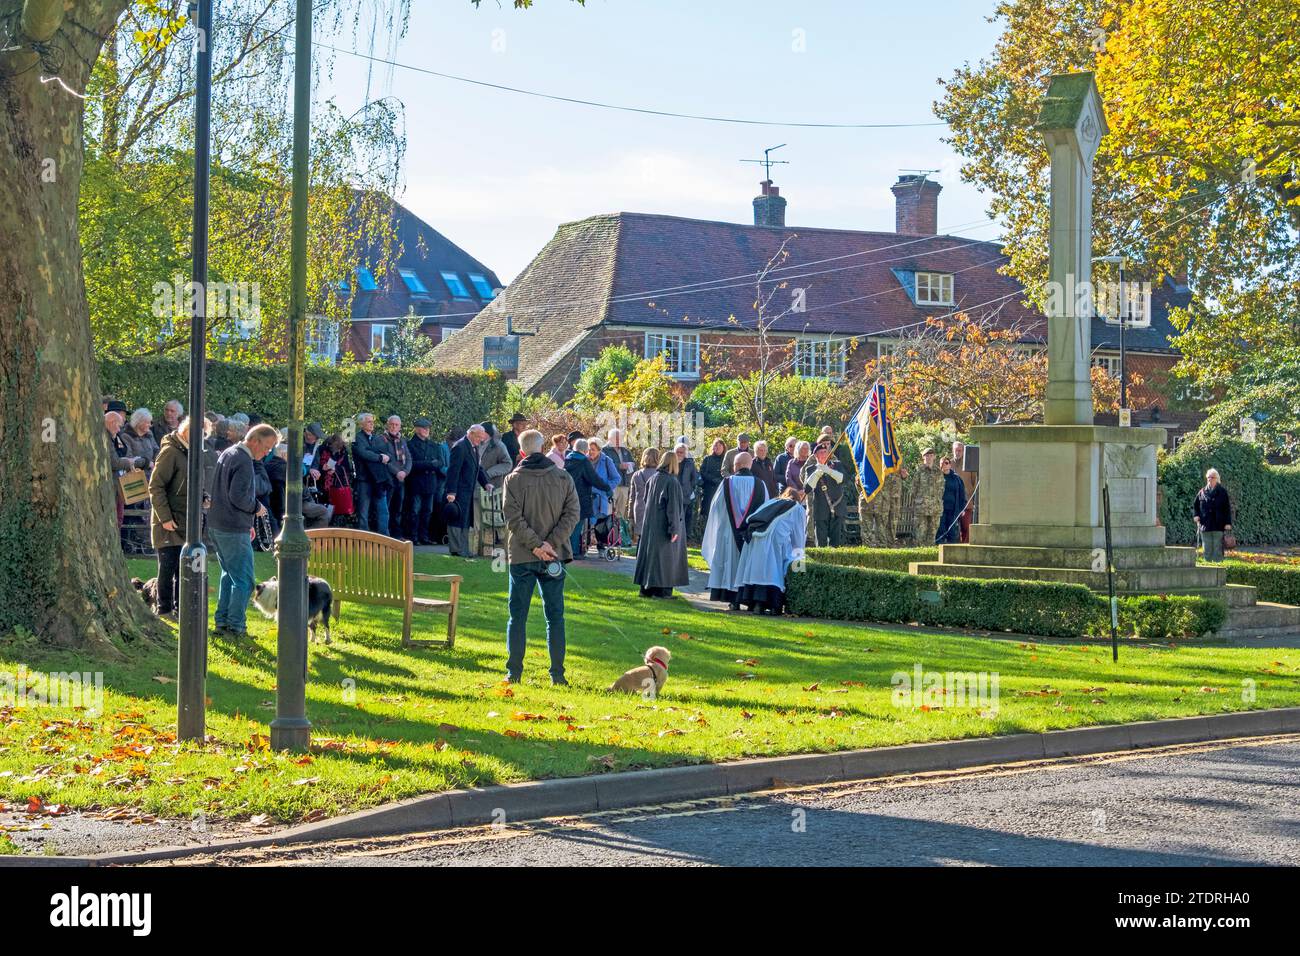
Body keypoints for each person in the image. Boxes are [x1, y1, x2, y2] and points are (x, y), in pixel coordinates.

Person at [501, 429, 581, 685]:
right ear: (543, 447)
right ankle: (557, 674)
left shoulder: (513, 479)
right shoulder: (562, 477)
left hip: (525, 555)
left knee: (518, 615)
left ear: (522, 452)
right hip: (551, 554)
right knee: (555, 616)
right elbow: (572, 515)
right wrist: (548, 544)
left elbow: (513, 519)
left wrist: (539, 545)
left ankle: (514, 672)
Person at [208, 423, 277, 637]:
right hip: (231, 526)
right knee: (245, 581)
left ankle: (222, 622)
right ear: (254, 440)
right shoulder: (244, 460)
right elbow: (238, 496)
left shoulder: (228, 453)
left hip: (219, 524)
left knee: (229, 576)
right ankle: (236, 626)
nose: (267, 453)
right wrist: (256, 508)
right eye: (266, 447)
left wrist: (247, 523)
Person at [702, 451, 767, 609]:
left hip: (728, 533)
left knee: (729, 564)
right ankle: (749, 599)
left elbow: (716, 508)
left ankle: (733, 600)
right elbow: (765, 509)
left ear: (735, 466)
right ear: (750, 464)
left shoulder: (726, 483)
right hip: (751, 535)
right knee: (748, 565)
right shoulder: (760, 484)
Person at [735, 487, 808, 614]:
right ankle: (774, 605)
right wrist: (800, 559)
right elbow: (798, 537)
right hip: (774, 539)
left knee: (758, 569)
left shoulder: (771, 502)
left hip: (753, 537)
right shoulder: (796, 508)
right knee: (773, 570)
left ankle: (754, 604)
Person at [633, 448, 689, 598]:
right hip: (664, 525)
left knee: (651, 557)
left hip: (651, 525)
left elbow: (645, 500)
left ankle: (646, 589)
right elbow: (673, 509)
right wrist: (674, 529)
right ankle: (662, 591)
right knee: (665, 559)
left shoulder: (653, 479)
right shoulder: (672, 482)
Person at [444, 424, 489, 557]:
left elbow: (478, 468)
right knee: (456, 519)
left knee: (465, 520)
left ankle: (463, 548)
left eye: (482, 438)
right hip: (458, 491)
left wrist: (486, 483)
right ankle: (456, 549)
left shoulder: (474, 447)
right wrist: (451, 492)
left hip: (468, 491)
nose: (481, 440)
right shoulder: (460, 447)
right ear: (471, 434)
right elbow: (453, 471)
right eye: (479, 437)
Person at [563, 437, 612, 559]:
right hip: (581, 497)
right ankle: (574, 551)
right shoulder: (584, 462)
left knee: (568, 524)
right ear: (585, 450)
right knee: (577, 525)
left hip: (565, 496)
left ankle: (567, 550)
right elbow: (594, 478)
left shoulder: (567, 459)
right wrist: (607, 488)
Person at [407, 418, 446, 544]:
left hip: (430, 482)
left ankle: (424, 536)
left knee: (427, 511)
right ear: (417, 429)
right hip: (417, 482)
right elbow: (411, 464)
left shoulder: (434, 445)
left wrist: (432, 464)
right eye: (424, 428)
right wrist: (429, 464)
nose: (427, 430)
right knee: (415, 510)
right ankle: (414, 536)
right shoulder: (410, 445)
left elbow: (440, 462)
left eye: (428, 428)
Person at [352, 412, 392, 535]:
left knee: (383, 510)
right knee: (364, 511)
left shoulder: (377, 438)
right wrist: (379, 456)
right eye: (369, 421)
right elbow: (364, 453)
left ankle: (384, 536)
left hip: (378, 479)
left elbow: (386, 452)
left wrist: (377, 454)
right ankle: (363, 538)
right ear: (361, 423)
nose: (372, 424)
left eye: (372, 421)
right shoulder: (358, 438)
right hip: (364, 479)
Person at [801, 441, 847, 547]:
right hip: (820, 509)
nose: (824, 454)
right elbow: (807, 489)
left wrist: (828, 471)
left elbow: (843, 479)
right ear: (815, 455)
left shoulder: (837, 465)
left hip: (837, 508)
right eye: (820, 452)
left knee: (836, 544)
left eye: (825, 452)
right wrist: (817, 473)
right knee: (821, 543)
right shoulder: (810, 469)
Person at [105, 409, 140, 530]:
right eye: (119, 426)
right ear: (111, 422)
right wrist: (129, 462)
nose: (120, 429)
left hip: (119, 482)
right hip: (112, 484)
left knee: (119, 518)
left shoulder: (115, 437)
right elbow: (114, 462)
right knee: (116, 519)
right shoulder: (106, 437)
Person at [588, 437, 622, 555]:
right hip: (587, 497)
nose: (590, 452)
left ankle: (601, 547)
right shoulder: (585, 460)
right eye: (589, 449)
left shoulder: (606, 460)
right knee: (588, 523)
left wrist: (606, 487)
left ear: (599, 450)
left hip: (600, 498)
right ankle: (585, 545)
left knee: (600, 524)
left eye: (593, 449)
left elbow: (617, 478)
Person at [1193, 468, 1233, 562]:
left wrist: (1228, 523)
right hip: (1205, 524)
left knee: (1217, 547)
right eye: (1208, 477)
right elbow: (1196, 505)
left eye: (1212, 477)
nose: (1210, 479)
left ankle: (1217, 564)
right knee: (1206, 547)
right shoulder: (1202, 492)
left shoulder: (1222, 492)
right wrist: (1196, 515)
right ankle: (1207, 565)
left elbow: (1227, 508)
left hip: (1218, 524)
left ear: (1217, 479)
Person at [382, 415, 411, 539]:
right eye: (392, 424)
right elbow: (385, 460)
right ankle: (386, 535)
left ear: (400, 426)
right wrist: (397, 472)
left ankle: (397, 535)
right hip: (388, 479)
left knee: (398, 509)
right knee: (387, 509)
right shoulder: (382, 439)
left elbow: (409, 458)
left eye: (396, 425)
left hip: (401, 480)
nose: (394, 427)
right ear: (388, 425)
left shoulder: (403, 440)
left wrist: (405, 472)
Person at [602, 427, 637, 517]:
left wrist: (631, 465)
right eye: (616, 438)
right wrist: (619, 466)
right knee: (609, 512)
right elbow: (603, 465)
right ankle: (608, 530)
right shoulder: (604, 450)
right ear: (610, 438)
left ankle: (619, 530)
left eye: (620, 438)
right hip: (611, 485)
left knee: (620, 513)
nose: (619, 440)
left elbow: (634, 464)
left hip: (624, 485)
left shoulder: (625, 451)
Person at [913, 448, 945, 546]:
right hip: (922, 508)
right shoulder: (919, 471)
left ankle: (929, 556)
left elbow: (942, 489)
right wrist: (920, 500)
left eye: (931, 455)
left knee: (932, 535)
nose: (929, 458)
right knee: (920, 535)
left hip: (935, 508)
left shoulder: (938, 472)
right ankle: (919, 555)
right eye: (927, 455)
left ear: (934, 457)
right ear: (923, 457)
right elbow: (914, 489)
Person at [630, 447, 660, 543]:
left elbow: (632, 497)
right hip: (654, 507)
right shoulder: (660, 475)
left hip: (639, 507)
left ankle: (639, 557)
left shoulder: (636, 475)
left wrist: (630, 515)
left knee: (641, 538)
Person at [938, 456, 968, 545]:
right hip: (940, 510)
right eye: (942, 463)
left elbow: (962, 495)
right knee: (941, 530)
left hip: (953, 510)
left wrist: (962, 509)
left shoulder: (956, 478)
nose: (945, 465)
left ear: (950, 465)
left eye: (947, 463)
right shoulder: (937, 478)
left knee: (953, 533)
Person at [698, 438, 726, 534]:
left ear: (723, 447)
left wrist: (721, 481)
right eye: (715, 445)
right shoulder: (707, 459)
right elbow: (702, 472)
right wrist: (712, 479)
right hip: (709, 490)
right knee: (708, 513)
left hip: (722, 489)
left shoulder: (726, 459)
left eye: (719, 445)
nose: (717, 447)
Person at [675, 441, 700, 537]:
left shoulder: (689, 463)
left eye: (682, 452)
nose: (680, 454)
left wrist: (690, 489)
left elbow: (695, 478)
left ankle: (684, 537)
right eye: (678, 452)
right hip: (674, 493)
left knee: (685, 517)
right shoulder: (672, 462)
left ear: (685, 453)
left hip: (685, 494)